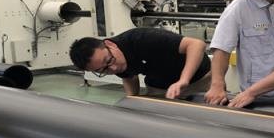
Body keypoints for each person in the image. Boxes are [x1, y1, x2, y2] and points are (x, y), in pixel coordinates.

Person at [70, 28, 210, 99]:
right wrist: (132, 100)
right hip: (162, 86)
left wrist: (183, 80)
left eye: (109, 61)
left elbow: (197, 45)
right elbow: (129, 76)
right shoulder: (112, 61)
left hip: (199, 78)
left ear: (110, 44)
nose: (113, 68)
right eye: (104, 71)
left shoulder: (143, 38)